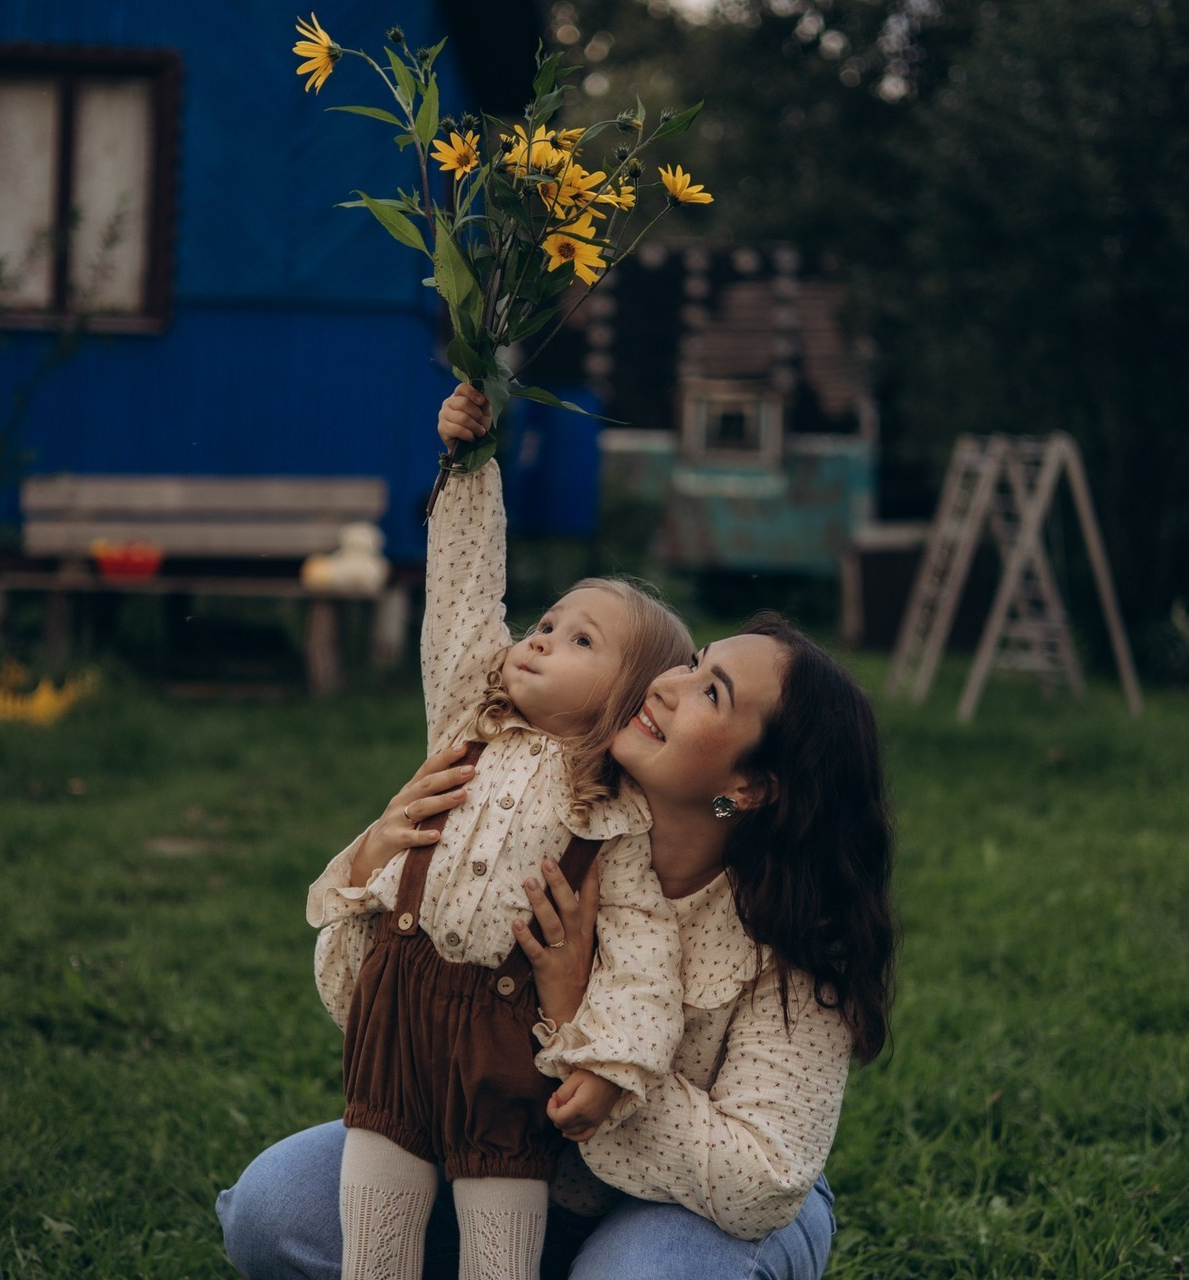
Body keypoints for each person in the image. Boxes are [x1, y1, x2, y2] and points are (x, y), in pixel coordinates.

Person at [218, 416, 897, 1280]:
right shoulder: (563, 821)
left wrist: (579, 1015)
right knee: (272, 1213)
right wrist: (378, 864)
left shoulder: (797, 939)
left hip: (690, 1217)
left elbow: (761, 1183)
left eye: (711, 690)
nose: (669, 682)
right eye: (691, 662)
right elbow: (372, 1004)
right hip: (485, 1149)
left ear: (754, 787)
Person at [310, 385, 694, 1280]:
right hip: (399, 1016)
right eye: (547, 621)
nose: (541, 638)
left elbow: (644, 962)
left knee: (498, 1258)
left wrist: (613, 1065)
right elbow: (463, 592)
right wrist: (471, 465)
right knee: (375, 1249)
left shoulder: (614, 818)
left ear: (626, 703)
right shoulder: (466, 719)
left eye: (578, 640)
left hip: (508, 1055)